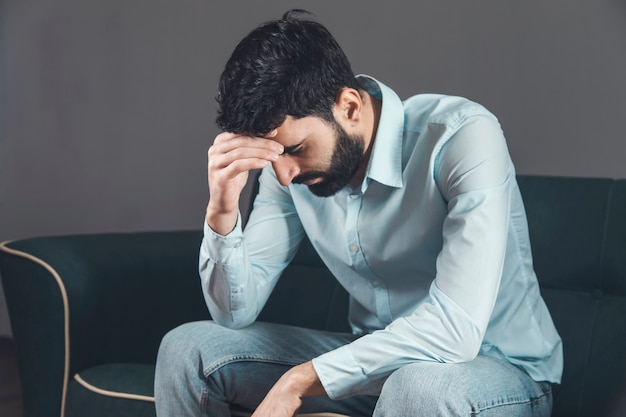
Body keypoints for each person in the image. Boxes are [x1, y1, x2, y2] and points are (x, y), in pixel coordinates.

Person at [155, 9, 563, 417]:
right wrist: (223, 208)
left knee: (417, 386)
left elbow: (454, 332)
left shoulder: (462, 136)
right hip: (370, 366)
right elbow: (232, 313)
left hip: (494, 371)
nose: (282, 174)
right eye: (271, 158)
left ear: (349, 106)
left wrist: (299, 380)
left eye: (294, 149)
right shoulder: (287, 175)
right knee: (187, 350)